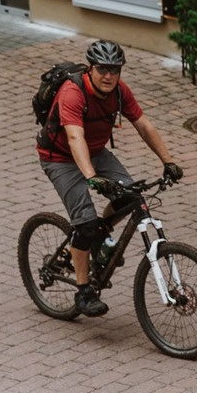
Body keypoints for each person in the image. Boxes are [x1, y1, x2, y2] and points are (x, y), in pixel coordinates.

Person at [40, 39, 180, 319]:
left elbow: (143, 124)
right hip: (60, 157)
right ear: (90, 69)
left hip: (95, 151)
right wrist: (92, 177)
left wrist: (169, 161)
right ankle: (83, 291)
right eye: (103, 69)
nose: (109, 76)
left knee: (130, 196)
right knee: (86, 222)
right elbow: (74, 137)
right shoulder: (72, 93)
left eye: (115, 70)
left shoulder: (119, 92)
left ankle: (99, 239)